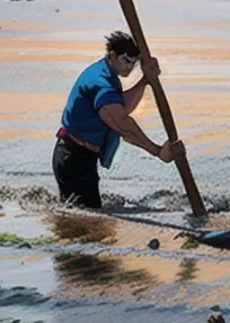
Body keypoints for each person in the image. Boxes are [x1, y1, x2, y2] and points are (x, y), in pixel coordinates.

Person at [53, 31, 186, 208]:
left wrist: (145, 80)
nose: (129, 69)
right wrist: (157, 151)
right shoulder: (101, 82)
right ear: (112, 55)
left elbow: (122, 107)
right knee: (87, 221)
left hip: (79, 155)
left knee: (85, 214)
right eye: (126, 61)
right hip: (73, 158)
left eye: (134, 64)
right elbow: (123, 125)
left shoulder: (106, 72)